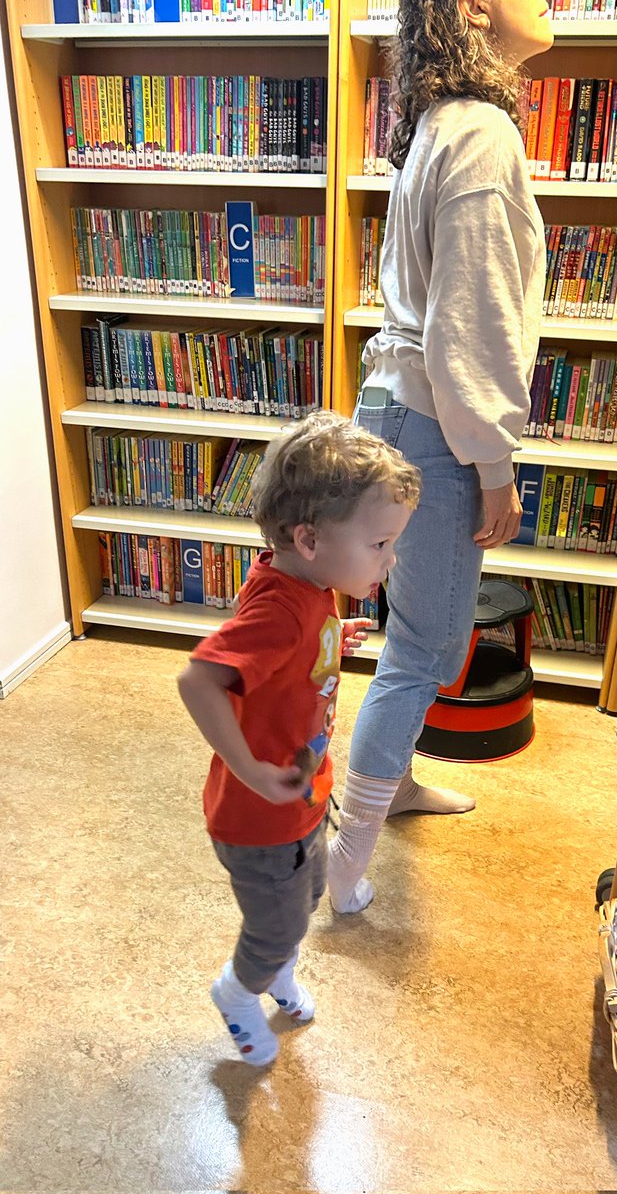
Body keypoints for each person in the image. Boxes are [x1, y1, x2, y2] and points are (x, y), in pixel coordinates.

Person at [327, 0, 553, 914]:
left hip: (397, 410)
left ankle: (392, 782)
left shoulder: (440, 124)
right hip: (432, 427)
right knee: (427, 644)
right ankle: (345, 861)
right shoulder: (481, 132)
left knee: (408, 635)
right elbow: (473, 324)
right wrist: (493, 465)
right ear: (473, 6)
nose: (548, 2)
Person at [178, 412, 420, 1065]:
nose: (390, 560)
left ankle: (275, 969)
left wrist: (328, 642)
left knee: (308, 893)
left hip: (300, 800)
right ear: (308, 538)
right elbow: (198, 682)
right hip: (258, 817)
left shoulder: (310, 588)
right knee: (277, 921)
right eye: (379, 545)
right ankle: (238, 992)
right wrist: (252, 773)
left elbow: (282, 660)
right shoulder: (280, 609)